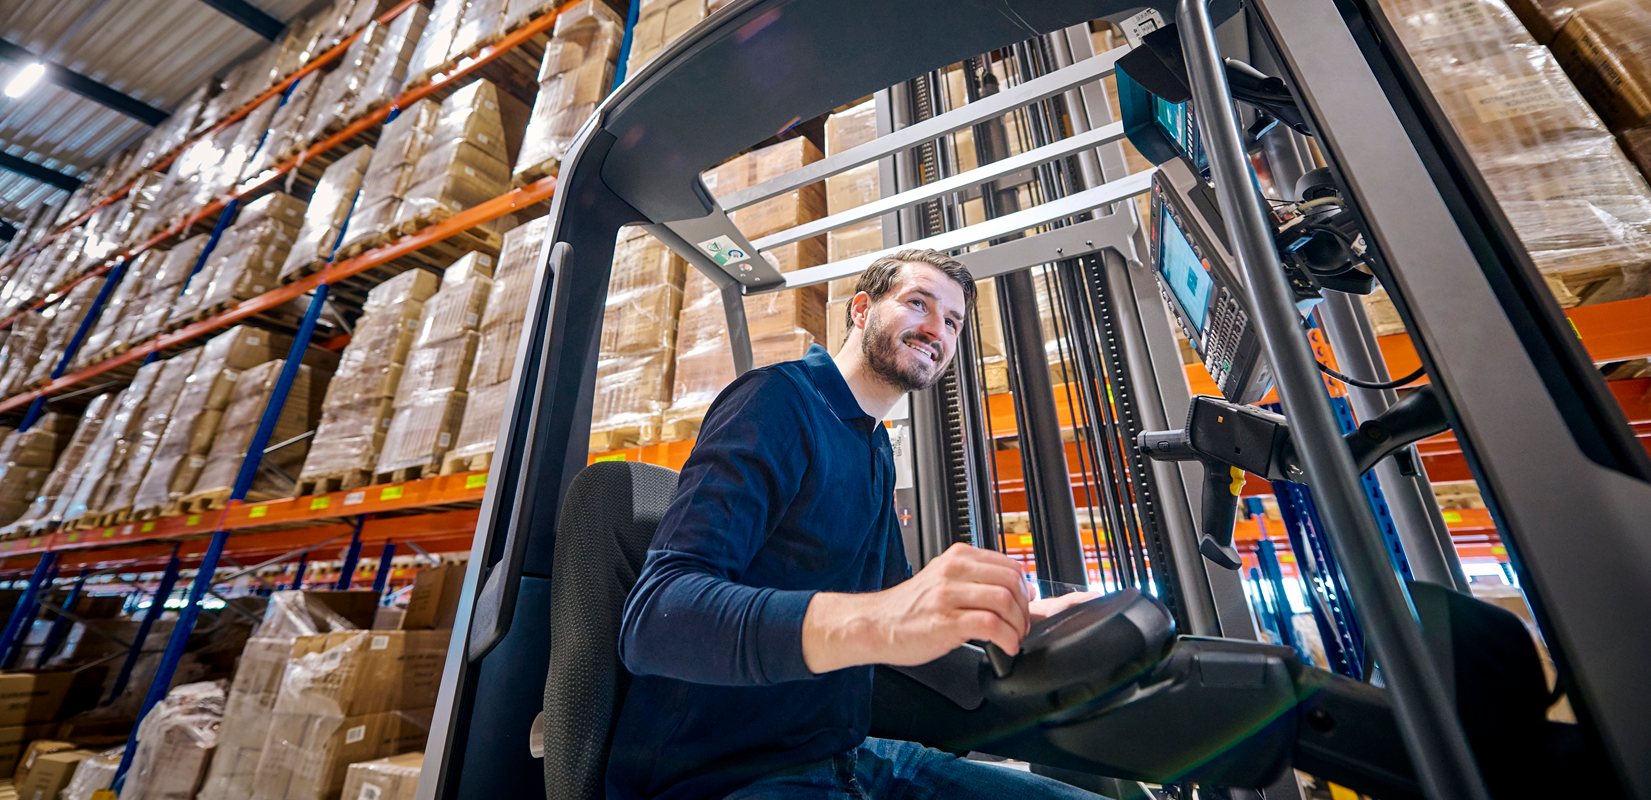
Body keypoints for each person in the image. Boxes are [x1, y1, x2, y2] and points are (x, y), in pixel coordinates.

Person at [609, 249, 1106, 800]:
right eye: (918, 303)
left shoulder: (874, 449)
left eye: (952, 322)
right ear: (862, 310)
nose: (935, 329)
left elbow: (894, 594)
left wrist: (1007, 618)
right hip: (727, 776)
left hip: (848, 757)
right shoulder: (775, 402)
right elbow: (656, 619)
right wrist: (883, 622)